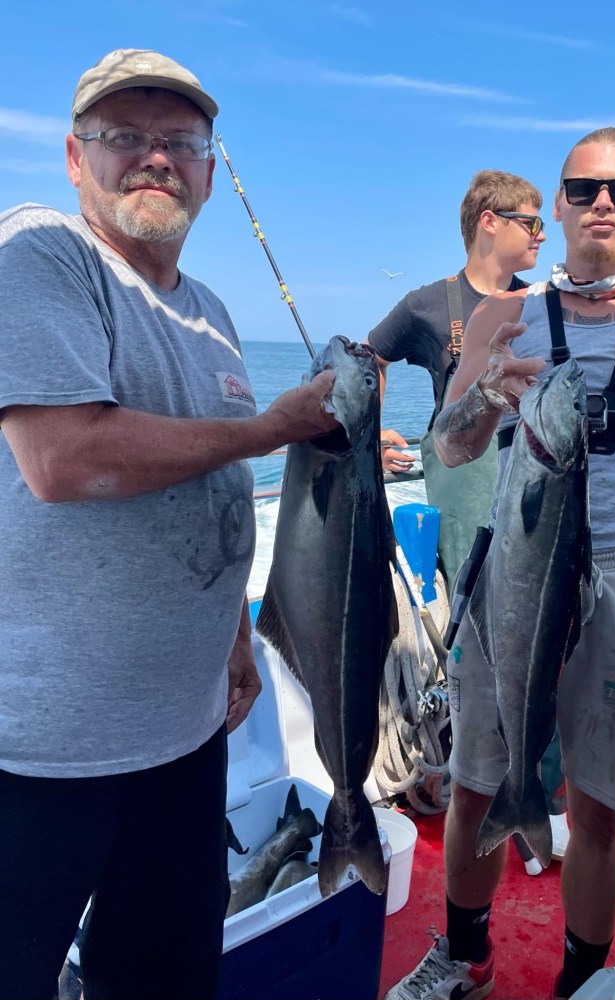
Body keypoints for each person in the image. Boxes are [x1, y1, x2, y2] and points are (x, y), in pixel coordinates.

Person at [382, 127, 615, 1000]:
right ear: (557, 205)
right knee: (478, 781)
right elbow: (449, 442)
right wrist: (483, 397)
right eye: (584, 188)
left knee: (597, 804)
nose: (603, 203)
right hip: (518, 565)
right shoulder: (500, 316)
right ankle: (464, 956)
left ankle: (583, 980)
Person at [0, 49, 340, 1000]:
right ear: (75, 159)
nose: (155, 158)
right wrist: (270, 428)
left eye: (180, 142)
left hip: (186, 737)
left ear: (209, 169)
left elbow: (214, 486)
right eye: (125, 138)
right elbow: (63, 459)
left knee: (158, 977)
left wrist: (235, 637)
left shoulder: (216, 313)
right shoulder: (38, 250)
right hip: (42, 750)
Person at [367, 169, 546, 591]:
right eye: (531, 223)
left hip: (529, 481)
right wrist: (368, 436)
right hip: (462, 485)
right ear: (489, 222)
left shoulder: (542, 304)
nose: (541, 235)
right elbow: (369, 360)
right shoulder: (423, 305)